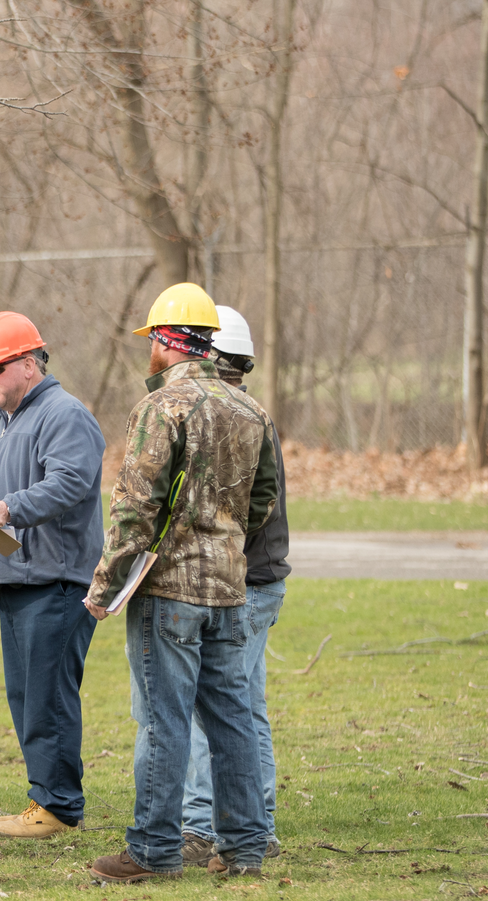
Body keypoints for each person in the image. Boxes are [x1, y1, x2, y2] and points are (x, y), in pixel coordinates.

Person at [83, 283, 279, 884]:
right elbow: (264, 497)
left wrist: (104, 585)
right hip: (229, 590)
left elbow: (133, 509)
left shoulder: (160, 409)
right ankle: (245, 847)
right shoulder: (252, 411)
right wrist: (225, 544)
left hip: (167, 592)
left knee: (165, 721)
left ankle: (152, 852)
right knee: (232, 718)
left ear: (167, 342)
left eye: (151, 341)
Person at [0, 312, 108, 839]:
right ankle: (46, 798)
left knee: (48, 698)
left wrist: (10, 508)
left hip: (57, 584)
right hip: (14, 585)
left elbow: (71, 483)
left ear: (30, 364)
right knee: (27, 697)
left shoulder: (64, 415)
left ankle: (58, 807)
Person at [179, 306, 289, 865]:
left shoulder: (229, 417)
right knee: (246, 705)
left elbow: (234, 512)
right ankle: (255, 824)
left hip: (243, 582)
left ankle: (203, 827)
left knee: (216, 708)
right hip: (260, 579)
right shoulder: (254, 414)